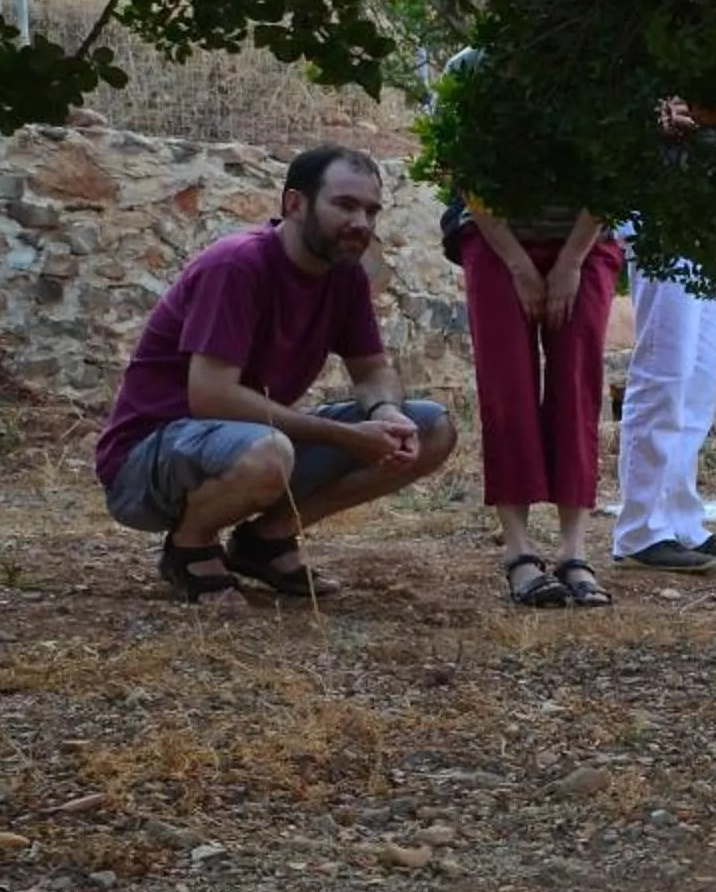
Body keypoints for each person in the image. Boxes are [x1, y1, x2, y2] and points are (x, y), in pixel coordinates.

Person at [96, 144, 457, 604]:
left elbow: (373, 370)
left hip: (244, 444)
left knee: (433, 429)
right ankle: (189, 546)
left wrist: (386, 412)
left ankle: (267, 541)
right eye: (344, 205)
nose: (361, 223)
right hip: (144, 463)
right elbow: (212, 397)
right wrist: (346, 437)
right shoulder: (237, 264)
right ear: (294, 204)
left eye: (371, 210)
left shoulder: (344, 276)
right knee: (270, 452)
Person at [612, 96, 716, 575]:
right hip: (661, 215)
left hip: (706, 219)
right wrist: (655, 117)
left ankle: (683, 522)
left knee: (698, 379)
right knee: (664, 371)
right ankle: (640, 530)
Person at [460, 180, 624, 608]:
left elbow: (615, 169)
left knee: (577, 390)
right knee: (505, 389)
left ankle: (574, 553)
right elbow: (467, 171)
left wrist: (571, 260)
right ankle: (519, 553)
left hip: (586, 244)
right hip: (497, 244)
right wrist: (517, 263)